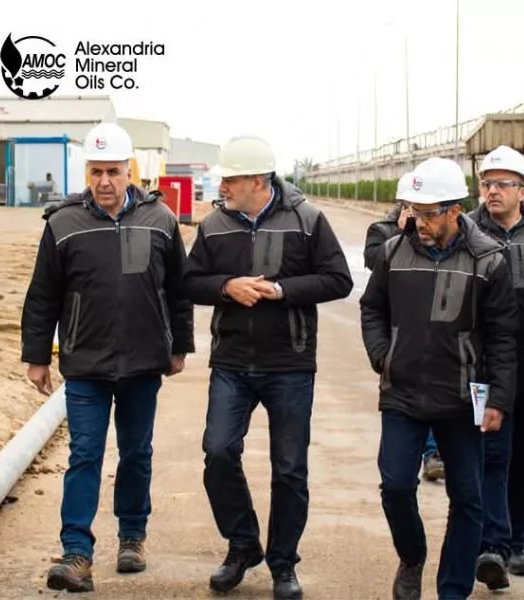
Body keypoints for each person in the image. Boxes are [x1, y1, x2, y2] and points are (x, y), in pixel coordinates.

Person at [20, 122, 195, 593]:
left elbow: (177, 290)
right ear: (87, 173)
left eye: (113, 172)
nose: (104, 182)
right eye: (95, 172)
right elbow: (43, 295)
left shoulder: (159, 219)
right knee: (85, 455)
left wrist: (178, 345)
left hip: (143, 361)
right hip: (86, 364)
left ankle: (132, 536)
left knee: (136, 453)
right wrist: (37, 356)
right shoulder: (63, 224)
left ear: (128, 171)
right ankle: (76, 553)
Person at [182, 135, 353, 599]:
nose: (222, 186)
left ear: (258, 181)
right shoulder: (214, 224)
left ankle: (283, 563)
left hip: (290, 364)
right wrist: (226, 287)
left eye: (231, 179)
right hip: (232, 362)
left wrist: (280, 291)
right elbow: (190, 282)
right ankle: (242, 545)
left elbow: (338, 279)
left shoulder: (307, 220)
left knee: (290, 469)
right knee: (218, 452)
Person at [359, 156, 518, 600]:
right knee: (395, 486)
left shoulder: (489, 259)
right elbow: (372, 308)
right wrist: (383, 356)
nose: (419, 222)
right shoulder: (394, 252)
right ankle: (412, 557)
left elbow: (503, 336)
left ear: (454, 210)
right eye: (414, 211)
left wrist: (498, 399)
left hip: (462, 398)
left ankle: (453, 589)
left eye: (429, 213)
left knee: (467, 498)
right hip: (402, 393)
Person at [465, 145, 524, 589]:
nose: (493, 191)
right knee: (491, 454)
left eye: (503, 184)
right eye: (487, 183)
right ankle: (493, 547)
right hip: (484, 368)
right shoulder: (466, 235)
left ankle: (517, 541)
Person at [363, 172, 445, 483]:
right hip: (400, 338)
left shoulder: (441, 233)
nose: (415, 213)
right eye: (409, 206)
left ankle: (433, 454)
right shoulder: (381, 231)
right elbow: (374, 262)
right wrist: (399, 236)